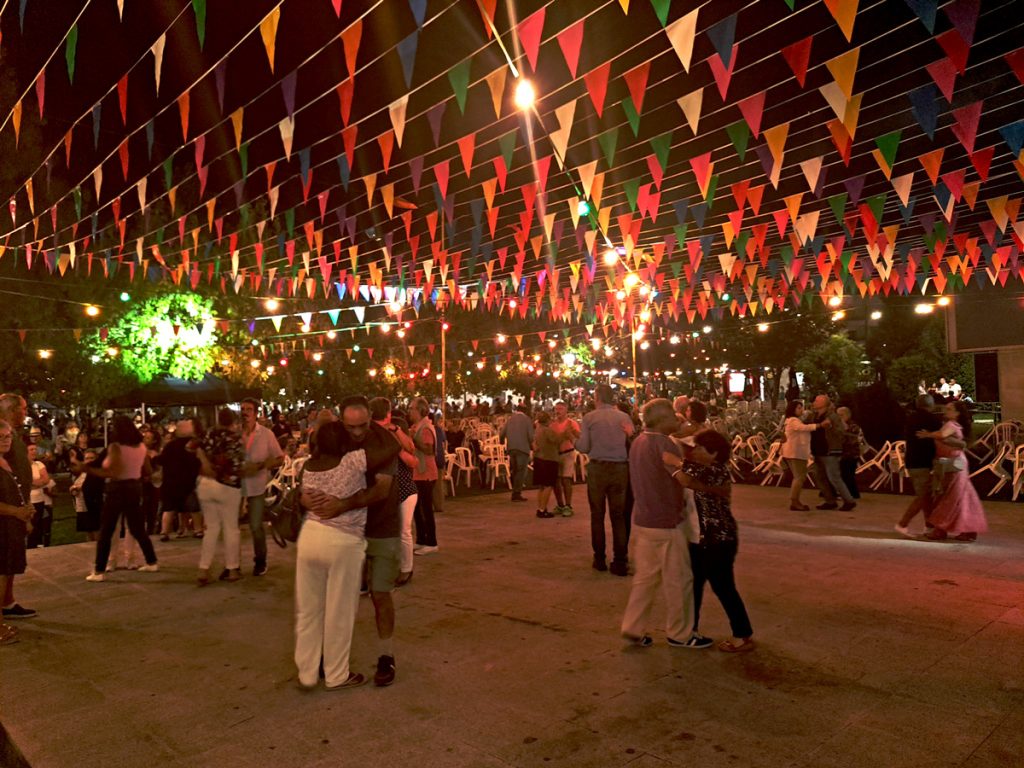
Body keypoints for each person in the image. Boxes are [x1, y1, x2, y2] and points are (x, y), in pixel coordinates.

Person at [303, 398, 402, 687]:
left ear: (371, 416)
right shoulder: (336, 440)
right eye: (351, 427)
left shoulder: (384, 444)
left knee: (380, 594)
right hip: (343, 530)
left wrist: (341, 505)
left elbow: (381, 490)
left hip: (381, 527)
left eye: (362, 425)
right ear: (341, 421)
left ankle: (386, 656)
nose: (357, 433)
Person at [620, 400, 708, 649]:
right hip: (667, 521)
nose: (677, 417)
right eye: (671, 414)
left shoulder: (638, 442)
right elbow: (683, 479)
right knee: (678, 580)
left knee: (645, 579)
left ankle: (633, 627)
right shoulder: (664, 444)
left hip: (643, 519)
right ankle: (680, 633)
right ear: (660, 419)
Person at [294, 422, 369, 690]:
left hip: (310, 536)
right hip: (342, 541)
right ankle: (337, 674)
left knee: (309, 610)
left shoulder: (308, 468)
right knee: (339, 612)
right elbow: (390, 447)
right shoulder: (352, 462)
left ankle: (307, 673)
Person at [665, 430, 755, 653]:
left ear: (714, 454)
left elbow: (687, 477)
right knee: (693, 586)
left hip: (718, 539)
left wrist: (673, 462)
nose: (694, 451)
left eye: (700, 448)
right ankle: (689, 629)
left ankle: (742, 634)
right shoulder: (702, 470)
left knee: (723, 586)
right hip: (698, 539)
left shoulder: (716, 470)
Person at [77, 415, 160, 582]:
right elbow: (149, 471)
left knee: (107, 529)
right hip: (135, 488)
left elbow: (112, 471)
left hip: (117, 488)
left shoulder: (115, 447)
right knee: (137, 528)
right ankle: (151, 561)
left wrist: (86, 469)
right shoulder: (141, 447)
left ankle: (99, 570)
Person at [576, 384, 634, 576]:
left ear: (598, 396)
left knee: (597, 515)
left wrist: (574, 439)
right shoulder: (624, 417)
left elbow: (584, 447)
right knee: (618, 516)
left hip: (598, 468)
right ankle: (620, 560)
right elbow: (630, 440)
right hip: (619, 468)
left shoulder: (589, 418)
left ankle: (599, 558)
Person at [918, 401, 987, 542]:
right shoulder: (954, 425)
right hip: (954, 462)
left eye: (949, 409)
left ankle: (942, 529)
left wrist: (928, 435)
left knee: (951, 496)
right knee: (958, 495)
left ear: (957, 413)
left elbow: (943, 435)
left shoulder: (951, 425)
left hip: (953, 463)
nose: (945, 410)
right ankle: (964, 530)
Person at [194, 409, 246, 585]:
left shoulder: (208, 434)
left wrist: (206, 463)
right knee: (231, 528)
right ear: (233, 421)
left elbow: (194, 447)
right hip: (228, 485)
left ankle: (204, 568)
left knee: (211, 528)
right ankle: (232, 569)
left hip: (206, 484)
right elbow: (238, 463)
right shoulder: (235, 438)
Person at [240, 398, 285, 577]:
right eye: (242, 409)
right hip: (236, 486)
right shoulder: (235, 433)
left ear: (256, 413)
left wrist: (259, 466)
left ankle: (260, 560)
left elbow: (279, 458)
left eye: (249, 409)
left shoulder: (266, 434)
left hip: (256, 486)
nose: (245, 412)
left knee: (256, 526)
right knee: (230, 527)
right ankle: (232, 565)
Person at [0, 418, 36, 641]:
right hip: (2, 529)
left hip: (10, 528)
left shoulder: (6, 461)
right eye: (0, 437)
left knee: (4, 576)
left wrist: (25, 515)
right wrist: (16, 512)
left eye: (7, 436)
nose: (5, 441)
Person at [895, 395, 944, 536]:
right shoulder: (932, 420)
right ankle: (903, 523)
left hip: (913, 460)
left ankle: (929, 526)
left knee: (926, 495)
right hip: (924, 461)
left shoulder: (911, 418)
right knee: (923, 495)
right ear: (931, 405)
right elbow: (941, 437)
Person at [807, 395, 855, 511]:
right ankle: (830, 500)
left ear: (824, 403)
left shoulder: (832, 417)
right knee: (820, 476)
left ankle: (848, 500)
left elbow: (841, 433)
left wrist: (830, 427)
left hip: (830, 451)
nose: (814, 402)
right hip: (817, 451)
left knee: (834, 477)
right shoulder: (813, 416)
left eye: (817, 400)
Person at [157, 419, 201, 541]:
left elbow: (161, 460)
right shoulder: (194, 445)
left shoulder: (170, 446)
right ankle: (198, 530)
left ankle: (164, 532)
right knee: (194, 507)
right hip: (189, 481)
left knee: (169, 508)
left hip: (171, 481)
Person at [408, 398, 439, 555]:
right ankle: (421, 539)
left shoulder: (425, 428)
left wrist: (413, 439)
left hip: (426, 473)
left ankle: (431, 541)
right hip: (418, 473)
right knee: (416, 509)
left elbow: (428, 449)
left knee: (425, 508)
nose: (410, 411)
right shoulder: (417, 426)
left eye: (412, 408)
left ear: (420, 410)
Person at [780, 400, 823, 511]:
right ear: (792, 409)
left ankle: (795, 500)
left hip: (794, 452)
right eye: (799, 408)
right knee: (799, 478)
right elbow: (803, 428)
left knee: (799, 477)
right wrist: (819, 425)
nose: (801, 410)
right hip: (796, 453)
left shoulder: (791, 420)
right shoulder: (793, 421)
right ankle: (795, 501)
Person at [531, 412, 564, 519]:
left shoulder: (537, 430)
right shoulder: (547, 430)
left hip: (539, 459)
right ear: (548, 420)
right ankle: (542, 509)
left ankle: (540, 508)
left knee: (541, 486)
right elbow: (557, 440)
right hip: (549, 459)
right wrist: (564, 433)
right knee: (548, 485)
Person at [551, 401, 580, 516]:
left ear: (566, 410)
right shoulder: (552, 424)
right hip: (555, 454)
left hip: (568, 453)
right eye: (556, 409)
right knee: (556, 481)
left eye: (560, 409)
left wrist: (572, 433)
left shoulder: (571, 423)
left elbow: (578, 436)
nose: (558, 411)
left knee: (566, 479)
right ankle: (560, 504)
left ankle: (568, 505)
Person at [500, 404, 534, 502]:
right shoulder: (527, 420)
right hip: (523, 448)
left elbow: (502, 433)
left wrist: (502, 443)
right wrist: (532, 447)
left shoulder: (510, 419)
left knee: (514, 470)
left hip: (511, 448)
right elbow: (531, 436)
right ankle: (516, 493)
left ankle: (514, 489)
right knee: (521, 471)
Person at [26, 442, 51, 548]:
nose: (34, 451)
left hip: (39, 499)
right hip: (28, 499)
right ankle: (30, 545)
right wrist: (38, 482)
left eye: (35, 449)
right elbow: (24, 482)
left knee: (39, 522)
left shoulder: (39, 465)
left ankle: (39, 544)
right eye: (31, 449)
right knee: (30, 522)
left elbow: (46, 479)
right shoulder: (23, 466)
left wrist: (34, 483)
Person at [836, 407, 861, 500]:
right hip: (843, 453)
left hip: (851, 454)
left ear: (848, 415)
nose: (839, 417)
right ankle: (852, 493)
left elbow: (852, 438)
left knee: (848, 474)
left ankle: (851, 493)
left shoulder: (853, 426)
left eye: (841, 415)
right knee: (845, 474)